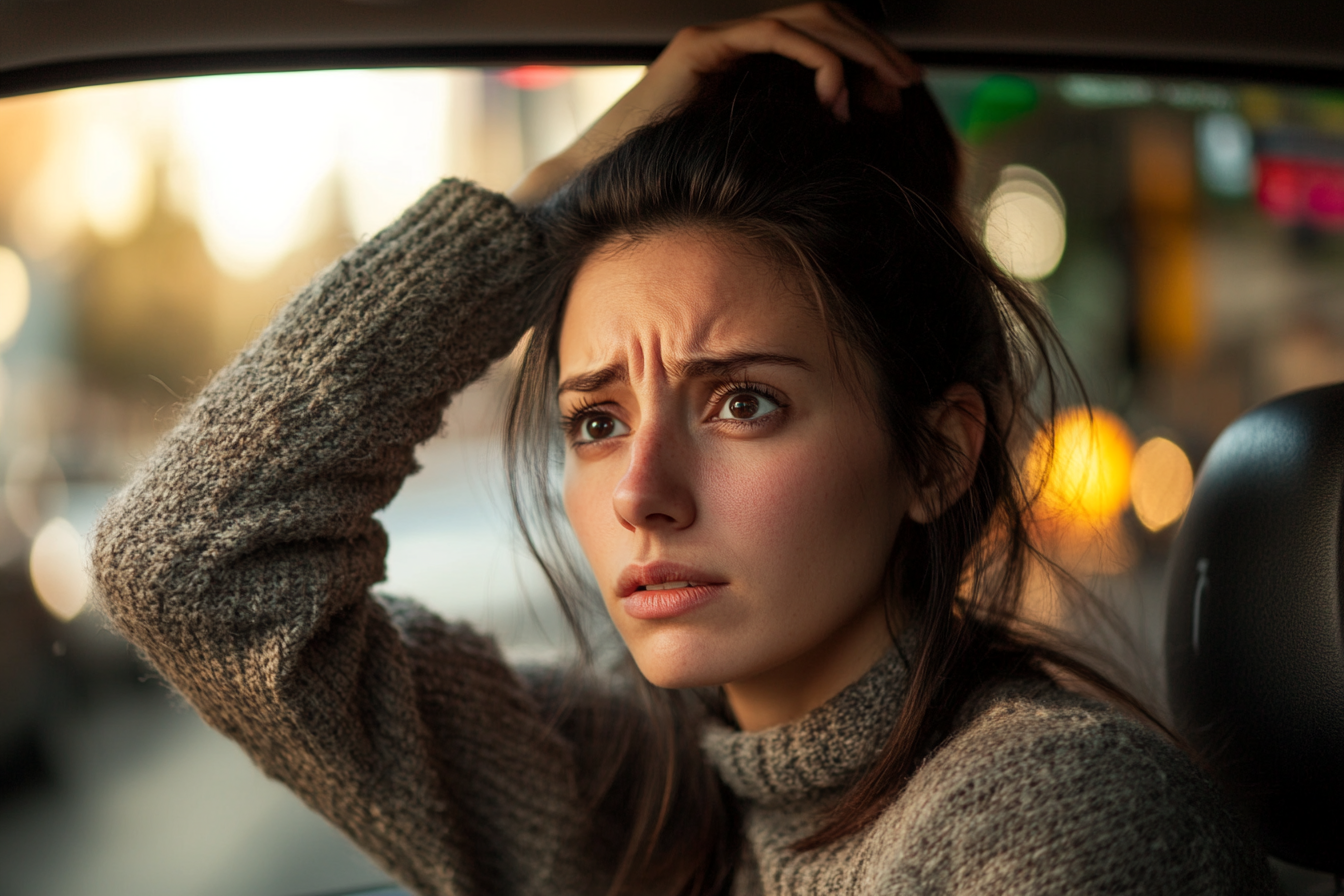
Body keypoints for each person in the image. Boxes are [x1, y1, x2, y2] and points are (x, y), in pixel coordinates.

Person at [92, 5, 1274, 895]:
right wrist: (551, 201)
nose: (643, 495)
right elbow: (191, 565)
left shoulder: (1054, 815)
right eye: (597, 421)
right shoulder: (626, 787)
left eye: (742, 403)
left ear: (938, 454)